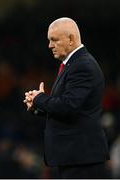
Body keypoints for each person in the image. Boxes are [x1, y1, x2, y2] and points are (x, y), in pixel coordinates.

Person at [23, 17, 109, 178]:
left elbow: (68, 106)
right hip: (75, 157)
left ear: (71, 39)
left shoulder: (82, 66)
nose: (50, 45)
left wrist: (39, 98)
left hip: (82, 158)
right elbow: (68, 108)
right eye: (49, 40)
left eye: (54, 40)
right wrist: (36, 107)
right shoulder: (73, 64)